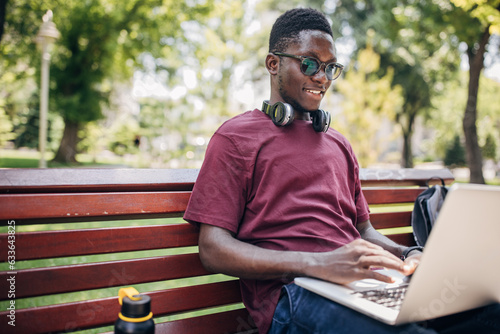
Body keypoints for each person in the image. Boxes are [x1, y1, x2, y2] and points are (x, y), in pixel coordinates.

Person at [184, 8, 500, 334]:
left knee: (490, 312)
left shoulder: (338, 144)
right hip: (294, 298)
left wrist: (410, 253)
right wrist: (318, 264)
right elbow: (213, 249)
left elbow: (365, 232)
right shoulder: (235, 138)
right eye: (309, 63)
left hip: (363, 287)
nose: (321, 77)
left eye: (330, 67)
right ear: (273, 64)